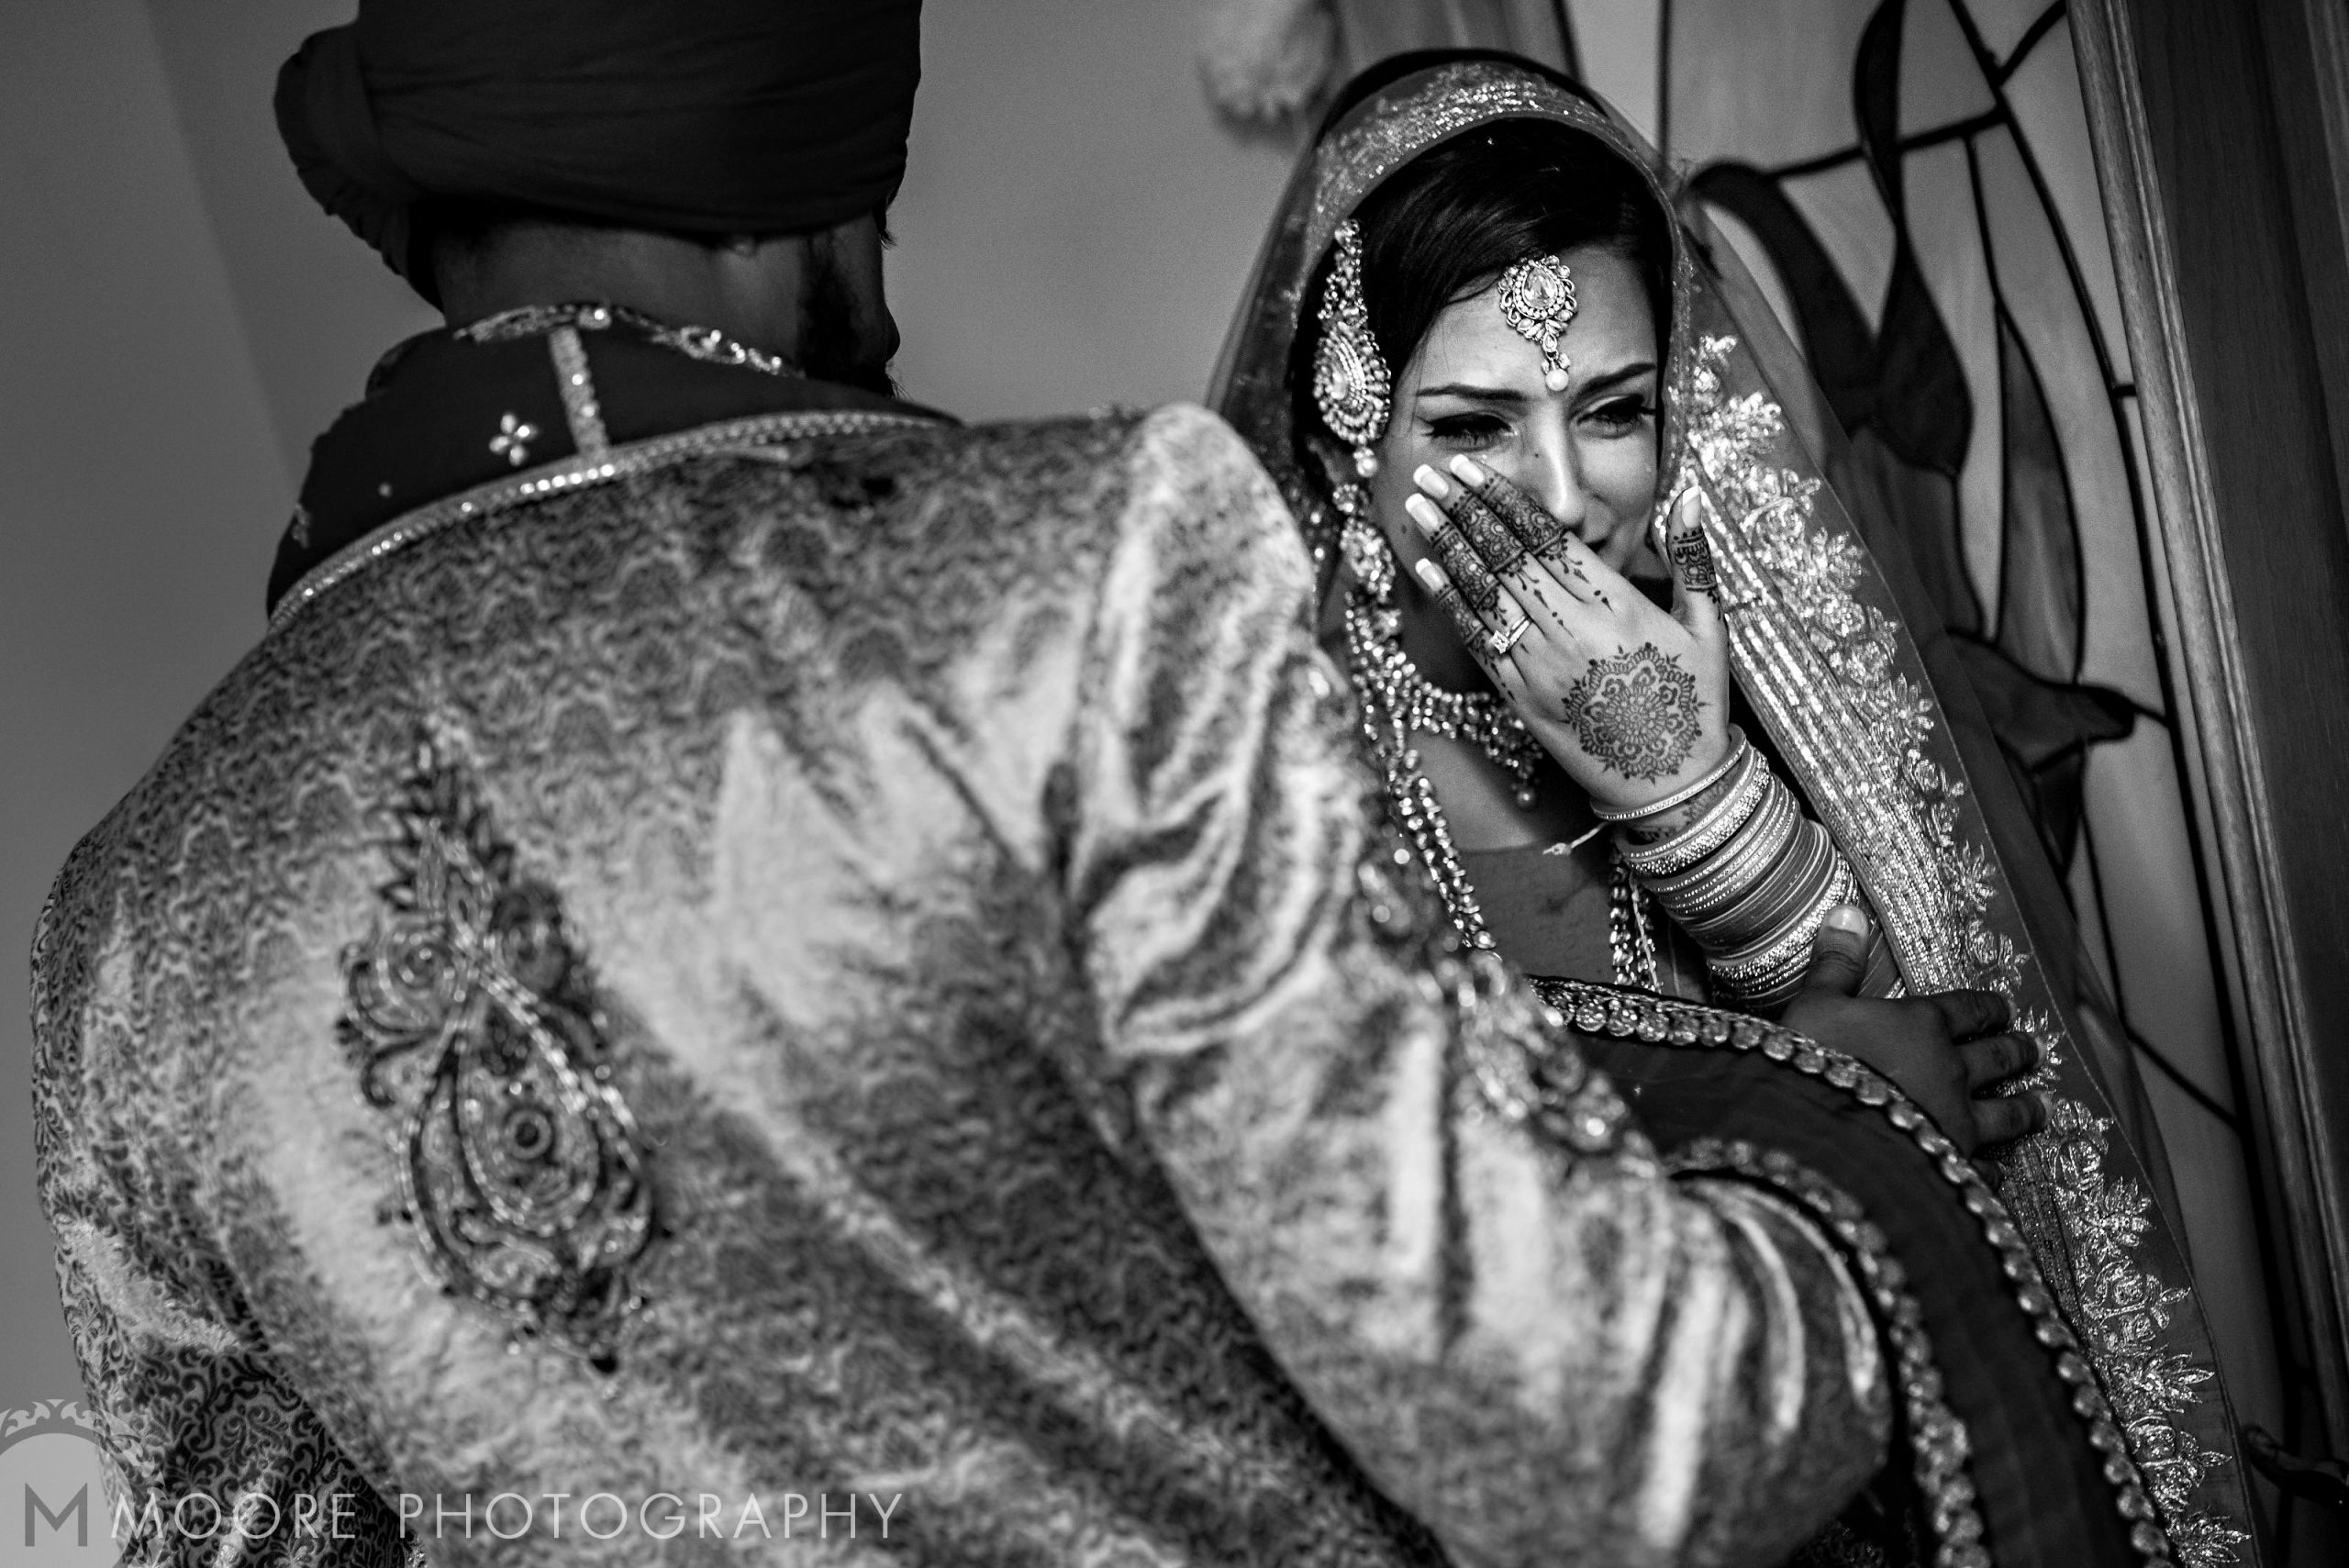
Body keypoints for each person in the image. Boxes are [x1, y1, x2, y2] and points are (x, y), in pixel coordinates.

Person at [25, 8, 2150, 1568]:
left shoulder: (127, 920)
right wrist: (1846, 1151)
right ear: (807, 201)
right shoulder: (1075, 577)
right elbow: (1608, 1438)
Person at [1210, 50, 2254, 1565]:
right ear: (1345, 438)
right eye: (1472, 428)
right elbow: (1356, 1293)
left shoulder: (1765, 692)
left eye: (1614, 411)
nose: (1564, 497)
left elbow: (1977, 1121)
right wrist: (1796, 1100)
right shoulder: (1267, 793)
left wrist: (1696, 797)